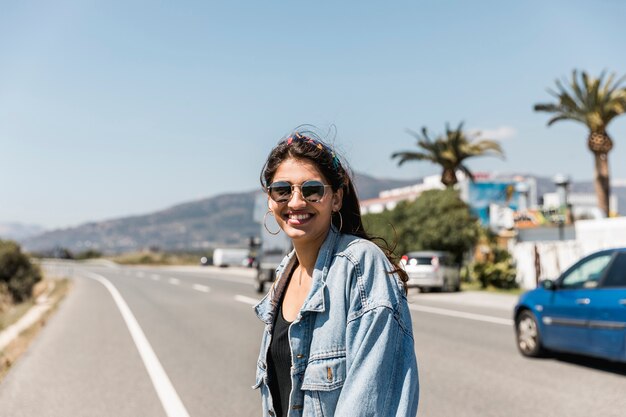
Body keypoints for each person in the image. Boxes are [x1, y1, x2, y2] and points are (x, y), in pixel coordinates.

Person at [254, 129, 419, 417]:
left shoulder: (361, 267)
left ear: (336, 199)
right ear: (270, 200)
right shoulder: (285, 273)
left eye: (312, 190)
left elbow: (370, 405)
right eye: (282, 189)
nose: (295, 202)